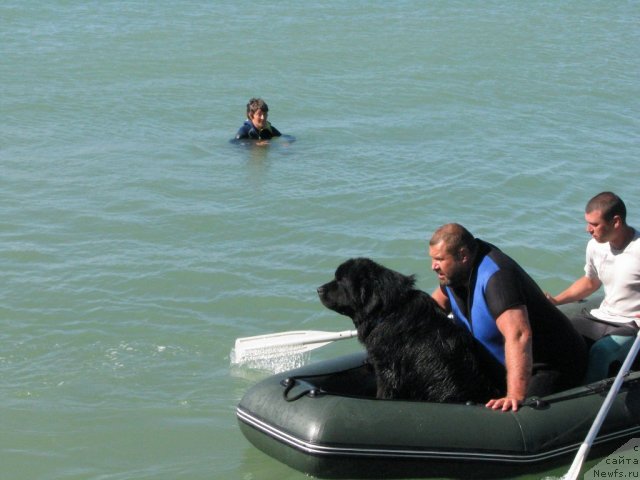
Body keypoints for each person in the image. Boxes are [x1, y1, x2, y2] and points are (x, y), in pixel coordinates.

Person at [429, 223, 587, 412]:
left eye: (439, 259)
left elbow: (519, 334)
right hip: (498, 366)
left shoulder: (497, 277)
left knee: (518, 412)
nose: (433, 266)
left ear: (463, 255)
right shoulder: (453, 275)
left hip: (547, 366)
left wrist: (515, 395)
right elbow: (430, 308)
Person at [546, 192, 640, 346]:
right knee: (554, 335)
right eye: (588, 223)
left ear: (616, 221)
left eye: (595, 224)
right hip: (602, 316)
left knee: (602, 352)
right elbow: (590, 282)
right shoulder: (595, 246)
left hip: (631, 324)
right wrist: (556, 301)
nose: (588, 229)